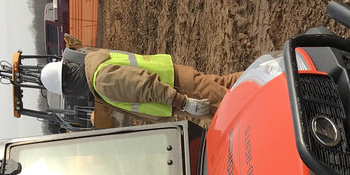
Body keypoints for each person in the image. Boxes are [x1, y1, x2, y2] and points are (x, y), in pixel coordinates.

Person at [40, 39, 241, 120]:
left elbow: (146, 86)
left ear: (69, 86)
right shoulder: (93, 61)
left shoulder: (101, 81)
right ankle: (270, 72)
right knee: (229, 86)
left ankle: (271, 97)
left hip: (178, 90)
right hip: (174, 79)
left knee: (233, 108)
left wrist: (185, 103)